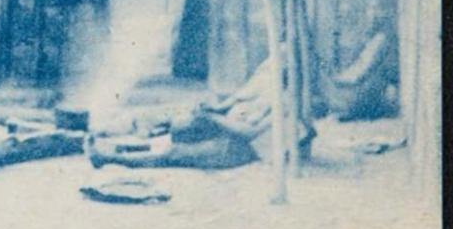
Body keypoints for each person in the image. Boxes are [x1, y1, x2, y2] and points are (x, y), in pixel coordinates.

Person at [85, 55, 311, 170]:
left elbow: (248, 133)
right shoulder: (267, 88)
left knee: (174, 153)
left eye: (278, 66)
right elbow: (235, 106)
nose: (270, 69)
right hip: (230, 135)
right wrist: (213, 111)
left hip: (244, 150)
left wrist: (212, 118)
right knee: (176, 131)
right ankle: (119, 147)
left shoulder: (288, 101)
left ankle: (110, 157)